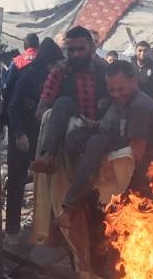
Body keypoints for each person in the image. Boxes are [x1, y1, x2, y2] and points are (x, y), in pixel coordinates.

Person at [60, 60, 153, 220]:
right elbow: (108, 129)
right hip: (133, 170)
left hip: (152, 176)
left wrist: (105, 163)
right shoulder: (120, 102)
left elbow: (136, 154)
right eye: (112, 90)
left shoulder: (140, 106)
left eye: (121, 89)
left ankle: (73, 206)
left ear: (133, 82)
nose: (116, 94)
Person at [6, 38, 64, 240]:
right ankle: (12, 231)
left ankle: (45, 230)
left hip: (43, 136)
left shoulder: (57, 78)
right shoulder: (28, 75)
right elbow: (12, 106)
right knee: (16, 183)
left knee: (48, 183)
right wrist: (19, 134)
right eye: (54, 63)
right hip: (22, 135)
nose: (56, 67)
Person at [33, 25, 109, 173]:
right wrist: (70, 121)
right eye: (71, 50)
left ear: (91, 47)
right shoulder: (59, 72)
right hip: (69, 137)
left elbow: (120, 102)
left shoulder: (104, 70)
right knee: (63, 102)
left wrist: (101, 123)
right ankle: (48, 156)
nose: (76, 54)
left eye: (81, 49)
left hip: (102, 132)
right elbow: (40, 111)